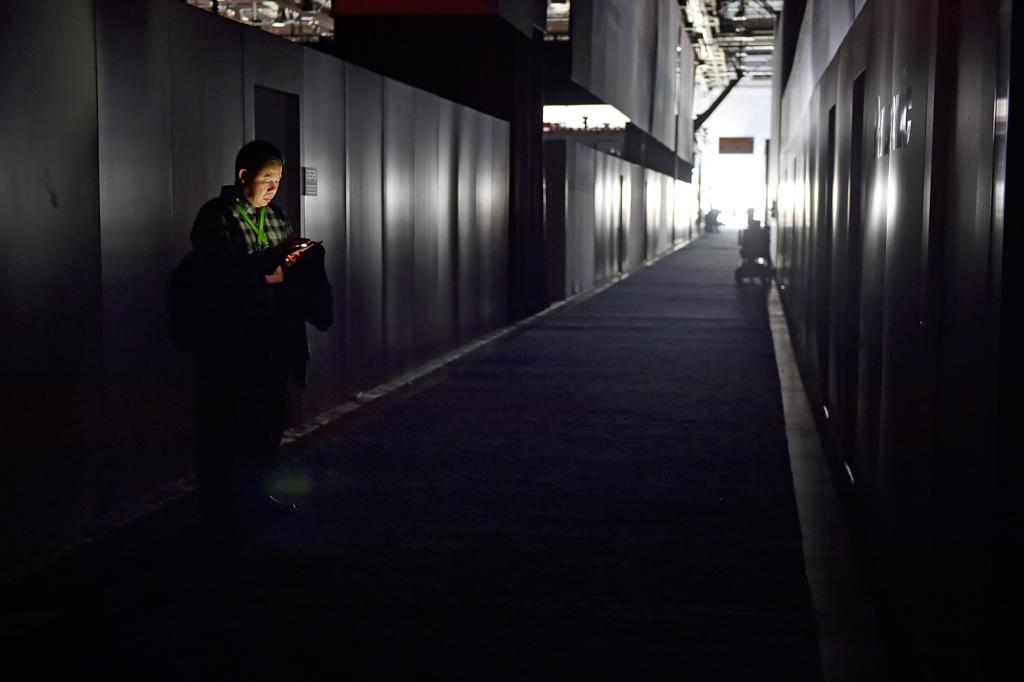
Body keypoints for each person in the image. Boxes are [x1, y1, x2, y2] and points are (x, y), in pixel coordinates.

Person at [190, 140, 330, 537]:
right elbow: (222, 274)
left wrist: (293, 262)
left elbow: (281, 270)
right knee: (226, 426)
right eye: (267, 178)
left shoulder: (277, 215)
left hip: (274, 340)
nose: (272, 188)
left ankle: (256, 497)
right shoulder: (216, 216)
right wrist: (274, 270)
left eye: (278, 180)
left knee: (268, 424)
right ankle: (221, 510)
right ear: (243, 176)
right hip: (231, 344)